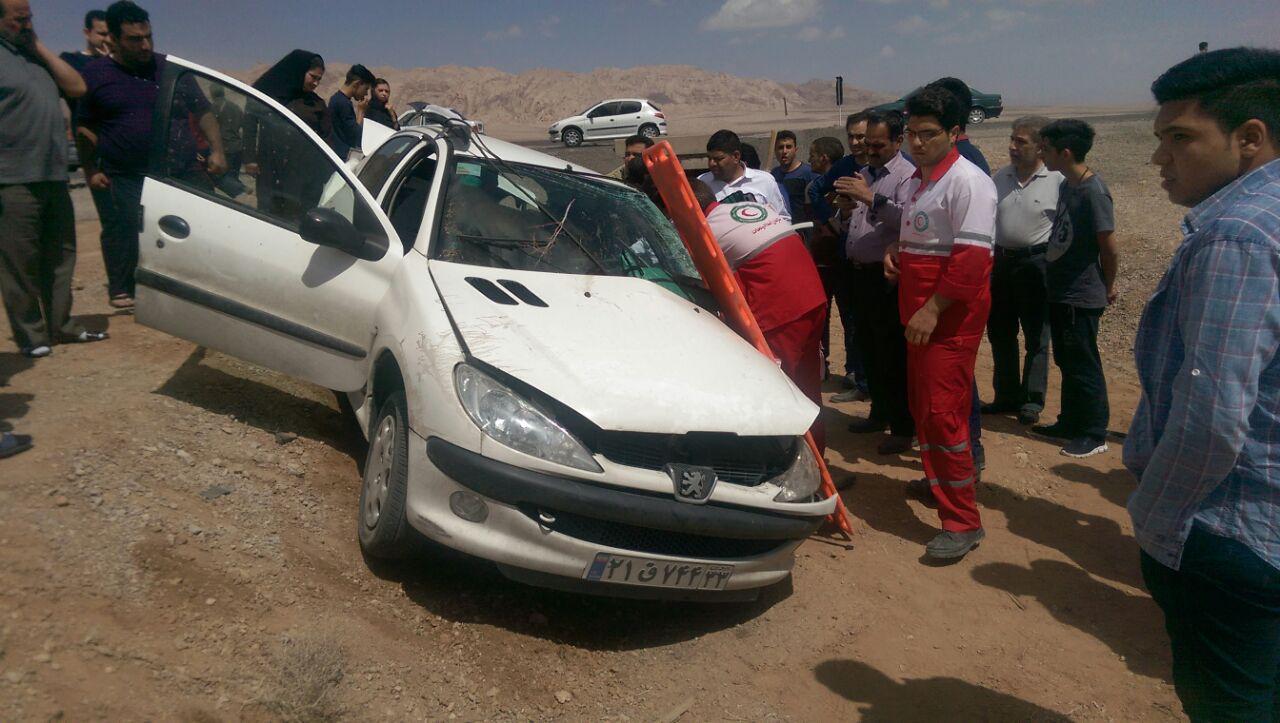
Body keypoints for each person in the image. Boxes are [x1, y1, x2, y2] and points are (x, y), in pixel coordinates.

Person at [1127, 46, 1280, 721]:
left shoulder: (1236, 235)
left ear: (1250, 137)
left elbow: (1211, 417)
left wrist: (1157, 520)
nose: (1159, 158)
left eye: (1180, 138)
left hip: (1230, 526)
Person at [886, 86, 996, 560]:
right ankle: (938, 483)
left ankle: (963, 522)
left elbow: (971, 261)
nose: (916, 142)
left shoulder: (969, 183)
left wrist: (932, 309)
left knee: (943, 413)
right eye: (911, 132)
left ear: (955, 132)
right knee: (924, 409)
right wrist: (896, 252)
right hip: (919, 318)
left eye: (927, 134)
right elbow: (925, 241)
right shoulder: (920, 180)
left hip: (947, 322)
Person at [76, 0, 226, 309]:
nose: (145, 46)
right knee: (137, 234)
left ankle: (204, 291)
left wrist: (218, 150)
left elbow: (203, 111)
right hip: (129, 176)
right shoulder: (95, 75)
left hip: (182, 170)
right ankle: (135, 293)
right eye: (135, 39)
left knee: (209, 227)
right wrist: (91, 169)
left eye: (148, 37)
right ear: (113, 39)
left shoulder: (170, 70)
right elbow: (84, 127)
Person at [1, 0, 106, 359]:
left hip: (52, 174)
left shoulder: (36, 56)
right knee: (19, 264)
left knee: (61, 256)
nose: (27, 24)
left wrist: (36, 45)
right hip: (12, 178)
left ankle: (61, 326)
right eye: (19, 19)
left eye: (30, 17)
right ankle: (31, 336)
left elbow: (77, 87)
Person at [693, 180, 828, 450]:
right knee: (806, 385)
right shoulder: (746, 208)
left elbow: (706, 282)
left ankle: (794, 458)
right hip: (812, 298)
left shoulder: (707, 231)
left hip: (782, 311)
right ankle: (816, 453)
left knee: (782, 389)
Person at [1034, 119, 1118, 458]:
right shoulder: (1069, 185)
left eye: (1046, 149)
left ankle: (1094, 432)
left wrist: (1109, 285)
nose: (1041, 154)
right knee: (1067, 360)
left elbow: (1108, 247)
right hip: (1061, 290)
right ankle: (1070, 421)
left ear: (1065, 153)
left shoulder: (1093, 191)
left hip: (1081, 294)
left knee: (1083, 363)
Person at [834, 110, 916, 455]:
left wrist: (870, 198)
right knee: (868, 347)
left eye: (878, 145)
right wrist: (845, 212)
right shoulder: (865, 173)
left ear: (898, 141)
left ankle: (903, 426)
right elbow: (853, 223)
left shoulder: (907, 176)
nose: (869, 150)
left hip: (886, 278)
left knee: (892, 353)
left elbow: (909, 221)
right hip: (858, 274)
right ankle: (879, 412)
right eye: (867, 143)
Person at [982, 116, 1062, 426]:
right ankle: (1005, 396)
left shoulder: (1057, 181)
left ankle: (1031, 400)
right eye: (1012, 140)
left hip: (1036, 265)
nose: (1012, 147)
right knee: (1001, 332)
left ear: (1041, 146)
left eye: (1021, 142)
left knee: (1036, 335)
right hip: (1001, 263)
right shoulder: (1000, 177)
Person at [811, 111, 871, 397]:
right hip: (848, 251)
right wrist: (831, 218)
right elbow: (816, 190)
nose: (857, 142)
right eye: (852, 137)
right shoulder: (845, 166)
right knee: (852, 317)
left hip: (882, 256)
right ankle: (856, 374)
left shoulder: (890, 166)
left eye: (862, 137)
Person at [244, 50, 331, 219]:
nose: (316, 83)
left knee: (293, 217)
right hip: (270, 168)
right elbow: (249, 124)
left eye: (319, 79)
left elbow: (325, 139)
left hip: (302, 174)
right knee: (268, 215)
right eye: (313, 77)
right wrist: (250, 158)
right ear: (299, 71)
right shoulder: (269, 97)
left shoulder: (317, 104)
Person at [806, 135, 858, 388]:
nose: (809, 160)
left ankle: (854, 371)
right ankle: (821, 365)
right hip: (821, 261)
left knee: (850, 318)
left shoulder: (848, 183)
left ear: (823, 157)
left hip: (844, 261)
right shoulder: (816, 187)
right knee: (821, 316)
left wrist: (836, 226)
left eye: (812, 155)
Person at [697, 129, 791, 221]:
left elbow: (783, 219)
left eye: (718, 159)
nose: (711, 163)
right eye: (709, 158)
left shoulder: (765, 181)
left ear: (736, 156)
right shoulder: (701, 184)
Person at [327, 63, 375, 160]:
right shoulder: (343, 103)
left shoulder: (337, 99)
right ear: (357, 84)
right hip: (343, 157)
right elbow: (355, 135)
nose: (366, 93)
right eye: (366, 89)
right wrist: (361, 112)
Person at [771, 130, 817, 222]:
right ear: (775, 151)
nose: (784, 151)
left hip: (804, 226)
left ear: (795, 149)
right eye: (780, 147)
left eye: (788, 147)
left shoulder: (809, 173)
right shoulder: (772, 176)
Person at [208, 85, 244, 197]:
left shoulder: (212, 108)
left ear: (212, 94)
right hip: (237, 147)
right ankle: (240, 194)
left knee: (222, 179)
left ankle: (241, 192)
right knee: (233, 176)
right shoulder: (236, 107)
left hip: (224, 149)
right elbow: (241, 125)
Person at [58, 9, 107, 73]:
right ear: (87, 33)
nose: (107, 39)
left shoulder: (116, 62)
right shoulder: (71, 60)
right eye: (103, 34)